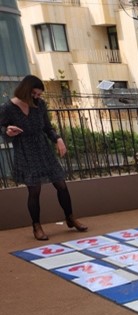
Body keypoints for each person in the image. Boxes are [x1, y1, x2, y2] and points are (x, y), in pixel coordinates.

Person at [0, 75, 87, 241]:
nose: (37, 97)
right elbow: (3, 129)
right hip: (25, 150)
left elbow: (47, 127)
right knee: (34, 190)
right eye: (34, 94)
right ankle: (36, 226)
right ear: (25, 90)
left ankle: (70, 217)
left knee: (61, 183)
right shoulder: (8, 108)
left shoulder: (40, 105)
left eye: (39, 94)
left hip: (43, 148)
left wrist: (58, 139)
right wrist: (7, 131)